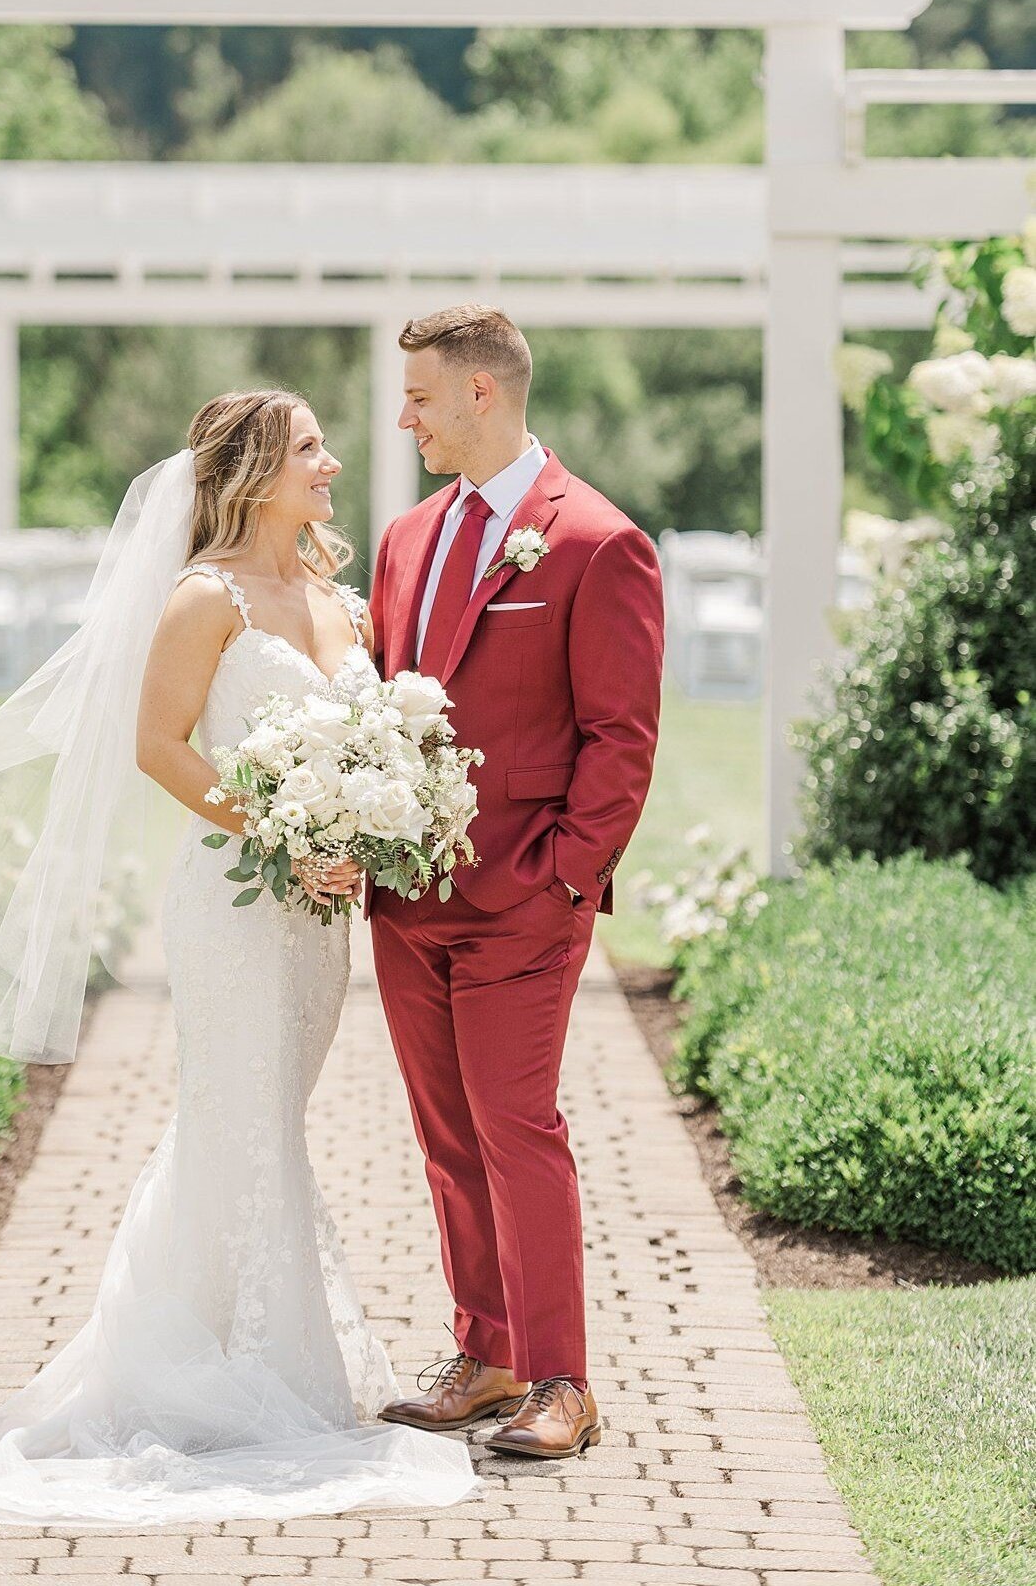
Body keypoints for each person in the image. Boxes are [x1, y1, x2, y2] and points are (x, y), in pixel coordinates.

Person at [0, 389, 477, 1528]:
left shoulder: (338, 597)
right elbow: (156, 746)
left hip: (318, 917)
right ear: (257, 466)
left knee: (271, 1115)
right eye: (312, 447)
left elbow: (370, 748)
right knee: (240, 1115)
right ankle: (218, 1365)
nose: (333, 463)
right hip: (232, 902)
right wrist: (282, 831)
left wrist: (365, 834)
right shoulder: (202, 597)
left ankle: (241, 1339)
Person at [367, 305, 664, 1459]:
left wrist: (560, 881)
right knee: (446, 1133)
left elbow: (621, 739)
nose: (408, 417)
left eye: (424, 398)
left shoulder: (597, 541)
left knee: (515, 1125)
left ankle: (561, 1381)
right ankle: (486, 1349)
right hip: (408, 902)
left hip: (523, 903)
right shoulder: (405, 536)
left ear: (483, 392)